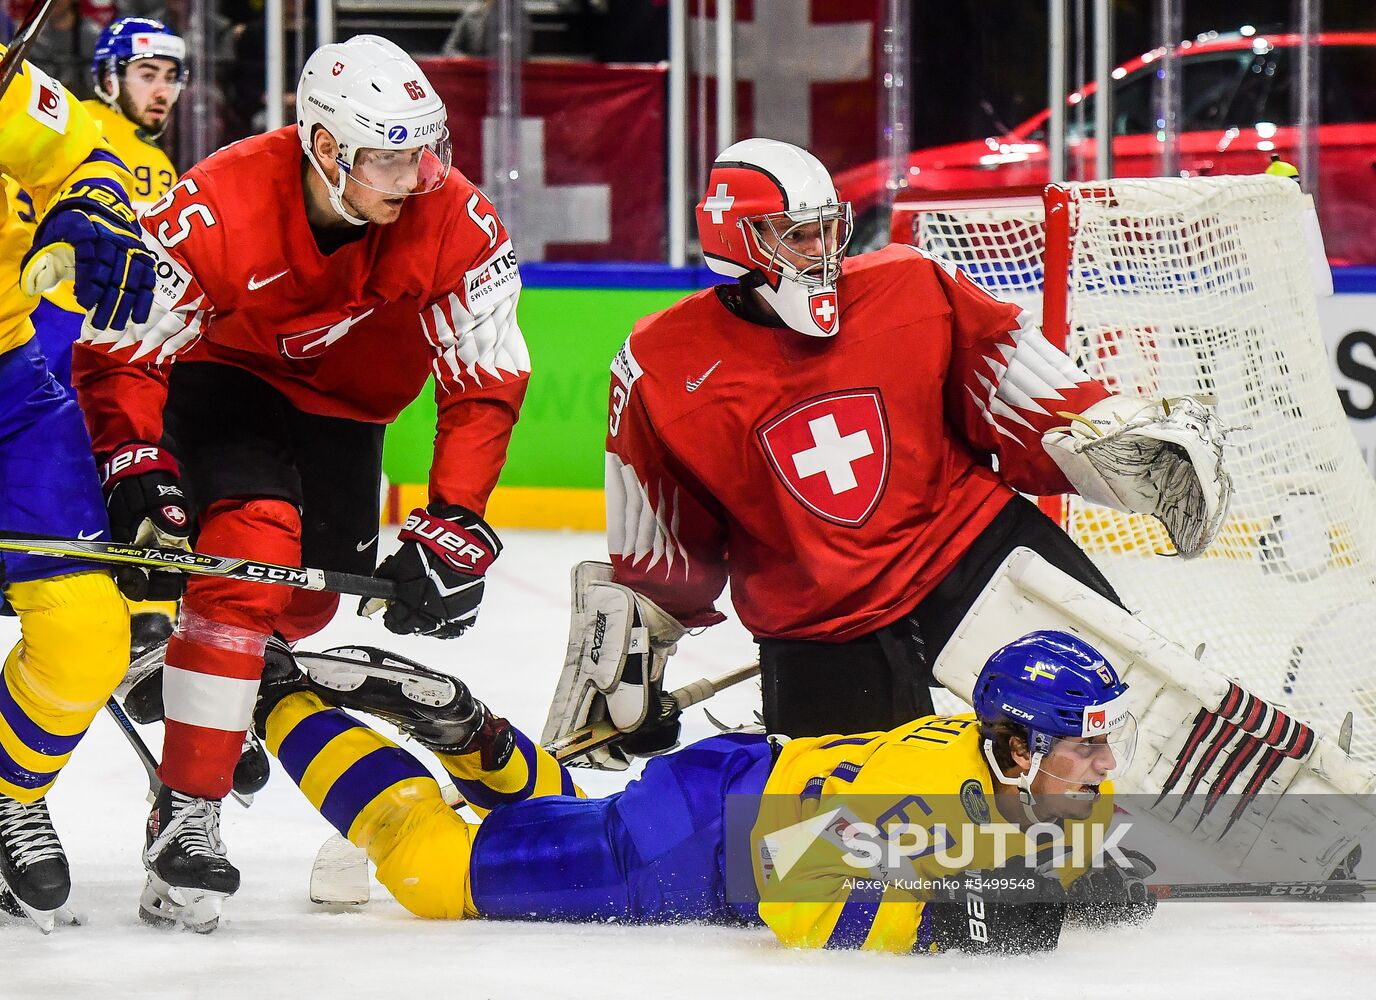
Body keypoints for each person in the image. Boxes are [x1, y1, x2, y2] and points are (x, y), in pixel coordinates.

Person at [71, 34, 531, 929]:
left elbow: (485, 376)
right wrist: (133, 456)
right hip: (225, 378)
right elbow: (122, 344)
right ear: (324, 146)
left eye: (425, 151)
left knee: (306, 602)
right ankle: (187, 809)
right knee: (255, 552)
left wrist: (455, 519)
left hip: (348, 412)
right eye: (389, 157)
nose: (416, 176)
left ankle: (201, 659)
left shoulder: (455, 217)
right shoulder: (222, 200)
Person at [587, 137, 1229, 744]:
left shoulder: (911, 283)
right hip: (821, 622)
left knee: (1123, 724)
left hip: (972, 551)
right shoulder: (657, 364)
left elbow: (1014, 386)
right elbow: (661, 535)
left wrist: (1108, 432)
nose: (821, 251)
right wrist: (632, 664)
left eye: (827, 229)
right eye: (797, 235)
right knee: (857, 819)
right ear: (737, 240)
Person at [252, 629, 1154, 953]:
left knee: (571, 819)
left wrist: (1074, 870)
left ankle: (475, 738)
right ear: (1017, 745)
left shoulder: (1024, 774)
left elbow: (1040, 844)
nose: (1107, 765)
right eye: (1086, 745)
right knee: (434, 872)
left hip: (735, 787)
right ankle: (274, 696)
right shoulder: (924, 791)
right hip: (691, 845)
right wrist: (953, 922)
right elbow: (796, 896)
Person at [0, 48, 156, 929]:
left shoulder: (3, 81)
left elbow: (84, 154)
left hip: (12, 388)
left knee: (89, 633)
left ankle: (9, 791)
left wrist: (89, 206)